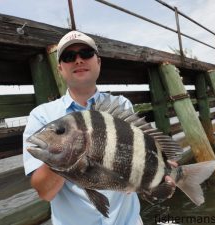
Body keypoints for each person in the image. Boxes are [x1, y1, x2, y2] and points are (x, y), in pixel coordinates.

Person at [23, 30, 144, 225]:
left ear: (98, 61)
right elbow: (45, 193)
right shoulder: (42, 116)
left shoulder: (121, 105)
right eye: (69, 57)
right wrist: (66, 150)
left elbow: (140, 158)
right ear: (60, 68)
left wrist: (163, 171)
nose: (78, 60)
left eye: (86, 53)